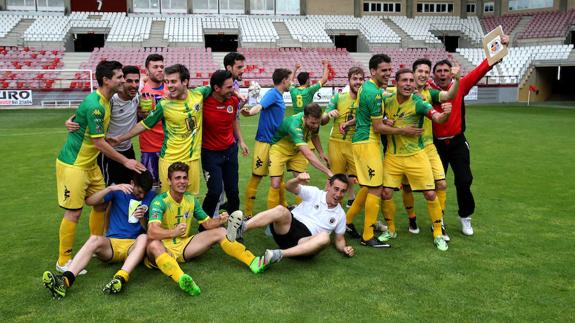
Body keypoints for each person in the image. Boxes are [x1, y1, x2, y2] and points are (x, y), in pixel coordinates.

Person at [54, 60, 146, 273]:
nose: (123, 81)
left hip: (90, 165)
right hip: (74, 165)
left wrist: (72, 119)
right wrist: (125, 161)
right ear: (106, 80)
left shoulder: (104, 100)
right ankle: (63, 261)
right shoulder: (96, 105)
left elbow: (78, 117)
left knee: (101, 205)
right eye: (119, 77)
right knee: (74, 212)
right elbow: (98, 142)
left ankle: (95, 244)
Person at [145, 162, 272, 296]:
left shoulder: (191, 200)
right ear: (169, 181)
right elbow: (152, 232)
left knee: (221, 232)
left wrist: (220, 220)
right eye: (177, 178)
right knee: (153, 244)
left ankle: (253, 262)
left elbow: (207, 224)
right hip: (162, 249)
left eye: (184, 178)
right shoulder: (159, 201)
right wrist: (173, 232)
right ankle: (182, 278)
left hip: (183, 246)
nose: (182, 181)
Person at [430, 35, 509, 236]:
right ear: (433, 75)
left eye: (445, 71)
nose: (442, 74)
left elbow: (483, 68)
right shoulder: (426, 92)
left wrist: (500, 47)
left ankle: (465, 217)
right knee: (436, 183)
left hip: (457, 142)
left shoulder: (461, 84)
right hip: (435, 145)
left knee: (464, 180)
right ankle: (438, 220)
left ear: (451, 73)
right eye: (438, 71)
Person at [345, 54, 421, 248]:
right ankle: (367, 235)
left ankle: (346, 222)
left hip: (366, 142)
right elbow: (378, 127)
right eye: (383, 70)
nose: (388, 73)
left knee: (369, 187)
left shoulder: (370, 88)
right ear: (373, 72)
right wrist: (403, 130)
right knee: (376, 188)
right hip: (367, 142)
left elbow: (371, 118)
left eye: (389, 69)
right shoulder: (373, 93)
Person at [42, 171, 155, 299]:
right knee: (94, 238)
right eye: (139, 191)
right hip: (112, 244)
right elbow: (90, 201)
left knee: (144, 238)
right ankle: (65, 280)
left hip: (134, 247)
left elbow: (150, 231)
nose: (142, 196)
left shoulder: (151, 196)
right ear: (132, 183)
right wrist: (110, 188)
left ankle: (120, 278)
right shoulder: (119, 191)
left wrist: (142, 219)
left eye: (145, 192)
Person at [378, 68, 452, 251]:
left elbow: (438, 118)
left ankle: (437, 233)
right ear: (396, 83)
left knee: (430, 193)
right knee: (386, 193)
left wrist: (445, 114)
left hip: (416, 157)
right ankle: (391, 230)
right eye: (404, 80)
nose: (409, 84)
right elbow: (377, 119)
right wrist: (385, 119)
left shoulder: (419, 102)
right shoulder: (386, 101)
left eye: (411, 81)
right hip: (392, 157)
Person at [110, 64, 211, 195]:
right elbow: (144, 125)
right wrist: (119, 139)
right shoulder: (164, 104)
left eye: (173, 81)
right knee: (168, 201)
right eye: (167, 81)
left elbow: (218, 85)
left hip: (193, 159)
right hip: (170, 159)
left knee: (191, 200)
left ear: (185, 82)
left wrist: (237, 94)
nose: (169, 86)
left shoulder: (199, 94)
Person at [400, 58, 460, 238]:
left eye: (427, 72)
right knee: (407, 187)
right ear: (413, 72)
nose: (423, 75)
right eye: (420, 71)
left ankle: (439, 224)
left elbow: (449, 96)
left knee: (441, 183)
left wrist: (456, 80)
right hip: (406, 147)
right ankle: (412, 218)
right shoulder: (401, 92)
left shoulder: (430, 93)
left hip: (428, 145)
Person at [234, 172, 354, 262]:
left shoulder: (340, 215)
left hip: (305, 243)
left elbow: (339, 239)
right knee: (281, 210)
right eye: (336, 189)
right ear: (329, 186)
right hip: (287, 227)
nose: (338, 194)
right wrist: (297, 179)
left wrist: (344, 248)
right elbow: (289, 187)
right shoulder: (315, 193)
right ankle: (240, 229)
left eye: (343, 191)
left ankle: (278, 254)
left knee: (324, 238)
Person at [65, 65, 142, 185]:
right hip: (109, 152)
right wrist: (71, 120)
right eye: (129, 81)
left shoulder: (137, 95)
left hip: (128, 149)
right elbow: (88, 111)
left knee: (128, 188)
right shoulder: (111, 100)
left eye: (137, 81)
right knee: (109, 191)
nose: (134, 85)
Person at [240, 68, 295, 217]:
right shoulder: (272, 94)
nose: (292, 82)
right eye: (290, 79)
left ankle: (284, 205)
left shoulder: (279, 95)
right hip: (264, 143)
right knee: (256, 177)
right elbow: (260, 106)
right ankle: (248, 213)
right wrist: (250, 112)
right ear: (284, 80)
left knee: (278, 176)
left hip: (275, 143)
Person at [201, 70, 249, 218]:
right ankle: (205, 227)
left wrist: (241, 140)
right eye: (229, 87)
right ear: (216, 88)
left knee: (233, 191)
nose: (232, 90)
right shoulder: (203, 103)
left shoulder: (233, 101)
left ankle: (235, 228)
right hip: (210, 154)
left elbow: (233, 120)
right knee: (214, 192)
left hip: (230, 151)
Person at [267, 103, 333, 209]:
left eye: (317, 123)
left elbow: (315, 135)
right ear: (305, 117)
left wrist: (321, 152)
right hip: (279, 149)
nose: (315, 125)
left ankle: (300, 215)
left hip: (296, 150)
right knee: (275, 183)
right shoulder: (294, 125)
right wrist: (328, 172)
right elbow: (308, 154)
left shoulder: (314, 121)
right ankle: (271, 221)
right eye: (312, 123)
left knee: (302, 181)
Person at [321, 66, 365, 208]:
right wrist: (328, 114)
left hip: (356, 144)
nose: (358, 82)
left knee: (364, 180)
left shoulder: (366, 99)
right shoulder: (338, 97)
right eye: (355, 79)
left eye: (360, 79)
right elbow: (323, 119)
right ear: (349, 80)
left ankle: (356, 206)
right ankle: (323, 206)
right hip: (337, 143)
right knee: (334, 179)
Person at [139, 54, 168, 189]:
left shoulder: (171, 89)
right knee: (150, 188)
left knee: (170, 188)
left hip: (170, 148)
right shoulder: (140, 90)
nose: (160, 70)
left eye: (162, 67)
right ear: (147, 71)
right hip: (149, 148)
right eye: (155, 67)